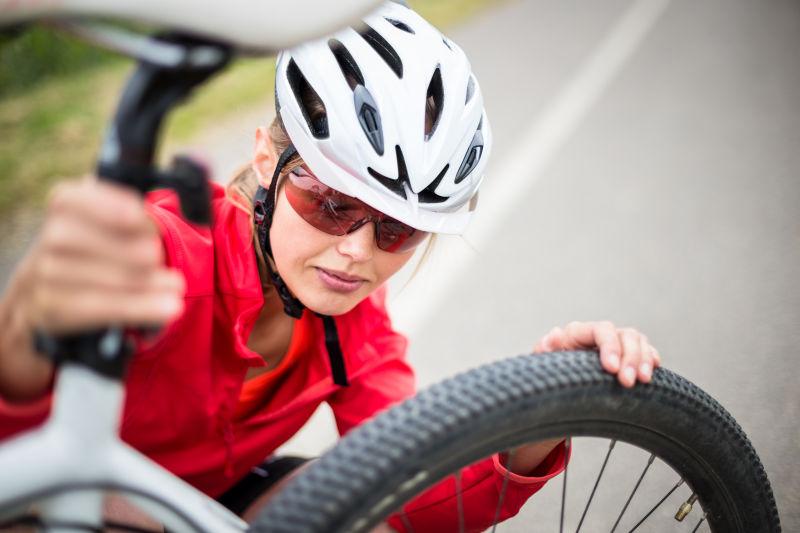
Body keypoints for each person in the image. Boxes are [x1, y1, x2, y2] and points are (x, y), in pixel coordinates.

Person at [0, 2, 660, 530]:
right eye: (331, 205)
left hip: (205, 501)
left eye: (397, 229)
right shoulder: (168, 253)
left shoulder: (353, 325)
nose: (358, 250)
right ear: (265, 161)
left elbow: (414, 492)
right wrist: (27, 330)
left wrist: (538, 419)